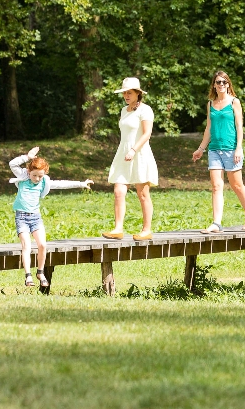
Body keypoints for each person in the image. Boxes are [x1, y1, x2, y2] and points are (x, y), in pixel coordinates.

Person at [9, 148, 93, 290]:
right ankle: (28, 275)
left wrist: (80, 183)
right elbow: (12, 164)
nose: (36, 179)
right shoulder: (23, 177)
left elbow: (62, 183)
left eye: (40, 176)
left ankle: (40, 273)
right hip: (21, 217)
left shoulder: (44, 182)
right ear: (29, 172)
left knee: (42, 245)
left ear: (44, 174)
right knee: (27, 246)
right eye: (34, 175)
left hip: (36, 218)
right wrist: (27, 157)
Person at [191, 71, 245, 232]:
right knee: (216, 186)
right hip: (214, 150)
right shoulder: (210, 104)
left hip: (231, 149)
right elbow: (209, 128)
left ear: (228, 85)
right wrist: (201, 148)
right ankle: (216, 223)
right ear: (214, 84)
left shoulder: (234, 102)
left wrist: (239, 148)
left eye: (224, 82)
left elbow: (239, 126)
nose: (221, 85)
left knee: (237, 185)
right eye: (218, 82)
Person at [103, 77, 158, 241]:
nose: (126, 95)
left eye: (129, 92)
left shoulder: (145, 110)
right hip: (123, 153)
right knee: (119, 191)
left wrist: (134, 150)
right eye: (124, 93)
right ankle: (118, 228)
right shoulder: (123, 110)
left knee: (142, 193)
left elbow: (147, 133)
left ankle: (146, 230)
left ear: (138, 93)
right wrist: (127, 151)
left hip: (139, 153)